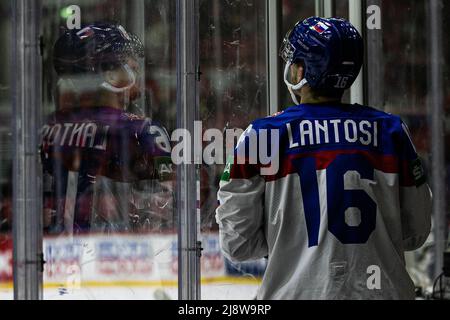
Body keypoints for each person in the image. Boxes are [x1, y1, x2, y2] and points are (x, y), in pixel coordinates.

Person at [216, 17, 433, 300]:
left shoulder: (262, 135)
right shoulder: (391, 131)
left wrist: (287, 239)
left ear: (301, 70)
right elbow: (415, 233)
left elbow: (238, 245)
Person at [40, 23, 174, 235]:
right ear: (108, 75)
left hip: (59, 254)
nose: (136, 65)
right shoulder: (143, 130)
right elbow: (168, 207)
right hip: (120, 257)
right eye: (126, 58)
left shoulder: (48, 126)